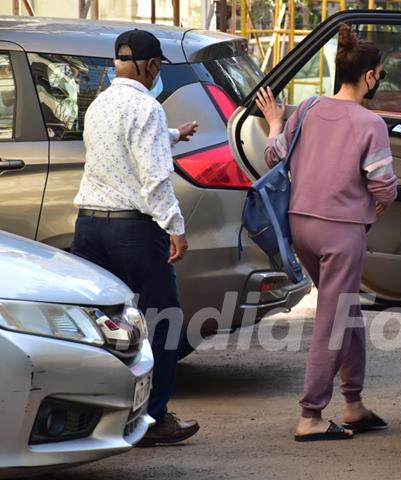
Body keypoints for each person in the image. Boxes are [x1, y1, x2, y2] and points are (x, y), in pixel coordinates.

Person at [256, 23, 398, 442]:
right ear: (370, 76)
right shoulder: (371, 124)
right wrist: (382, 203)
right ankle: (310, 414)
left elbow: (272, 156)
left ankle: (353, 403)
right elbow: (384, 184)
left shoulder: (307, 109)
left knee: (345, 309)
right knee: (333, 319)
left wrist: (274, 122)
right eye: (381, 75)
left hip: (301, 228)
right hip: (342, 233)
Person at [71, 29, 200, 447]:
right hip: (133, 231)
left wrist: (175, 135)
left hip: (89, 228)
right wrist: (175, 228)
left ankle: (100, 415)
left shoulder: (98, 105)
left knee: (104, 326)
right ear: (151, 67)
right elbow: (155, 177)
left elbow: (126, 148)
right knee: (164, 322)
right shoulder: (147, 108)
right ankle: (153, 418)